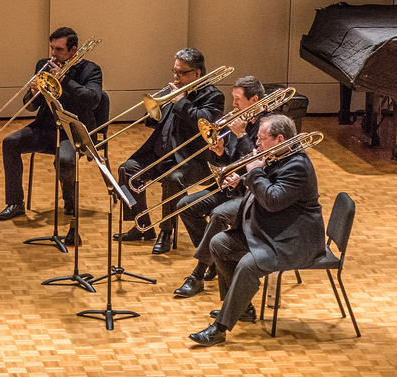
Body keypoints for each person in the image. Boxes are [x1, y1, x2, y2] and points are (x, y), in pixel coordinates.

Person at [188, 114, 325, 346]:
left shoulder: (298, 166)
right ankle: (241, 307)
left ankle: (219, 329)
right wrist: (240, 182)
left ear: (279, 138)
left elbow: (272, 199)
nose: (257, 144)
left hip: (294, 240)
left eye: (261, 138)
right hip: (272, 230)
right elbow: (264, 189)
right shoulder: (277, 154)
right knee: (219, 244)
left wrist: (254, 173)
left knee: (247, 264)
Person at [0, 27, 103, 244]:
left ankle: (70, 203)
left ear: (73, 50)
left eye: (59, 49)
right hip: (45, 128)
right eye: (52, 48)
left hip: (72, 132)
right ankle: (15, 203)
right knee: (10, 143)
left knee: (64, 160)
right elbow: (31, 106)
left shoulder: (91, 70)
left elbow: (93, 99)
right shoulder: (43, 65)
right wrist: (34, 92)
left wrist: (64, 81)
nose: (53, 54)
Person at [116, 47, 224, 254]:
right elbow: (157, 122)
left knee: (173, 179)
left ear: (197, 73)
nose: (176, 76)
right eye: (175, 71)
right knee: (127, 169)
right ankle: (142, 226)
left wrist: (181, 101)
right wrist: (153, 112)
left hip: (190, 160)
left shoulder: (213, 96)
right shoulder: (174, 89)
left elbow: (204, 122)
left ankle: (166, 231)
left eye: (182, 73)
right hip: (161, 154)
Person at [174, 76, 265, 298]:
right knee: (186, 205)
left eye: (237, 99)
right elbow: (230, 160)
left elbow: (258, 163)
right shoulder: (238, 120)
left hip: (250, 195)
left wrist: (241, 135)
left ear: (254, 99)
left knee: (217, 215)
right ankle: (212, 258)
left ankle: (197, 274)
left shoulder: (267, 127)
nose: (233, 104)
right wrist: (219, 152)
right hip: (229, 189)